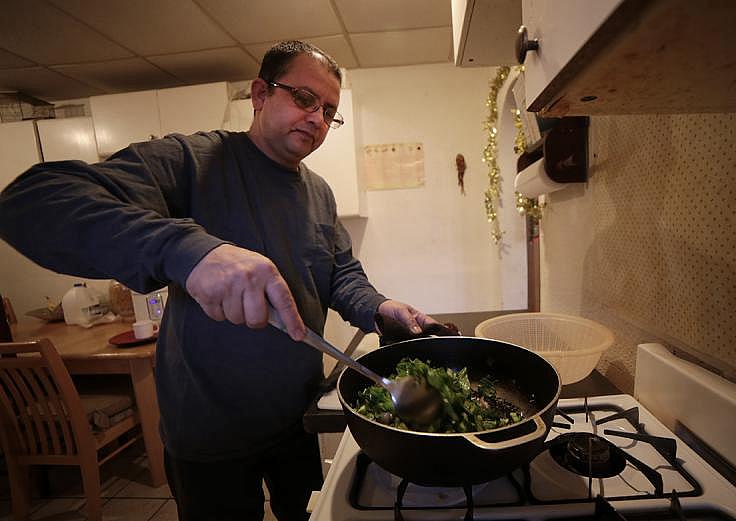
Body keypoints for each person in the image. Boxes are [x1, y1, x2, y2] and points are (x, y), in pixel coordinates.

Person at [0, 40, 437, 521]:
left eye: (328, 110)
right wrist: (188, 250)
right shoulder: (192, 161)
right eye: (304, 98)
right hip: (208, 430)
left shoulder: (319, 192)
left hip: (296, 416)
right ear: (259, 94)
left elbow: (339, 276)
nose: (317, 117)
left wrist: (378, 307)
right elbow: (32, 202)